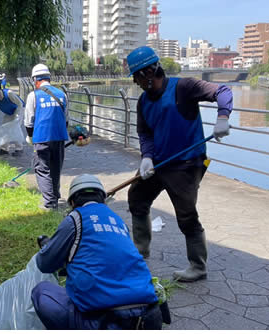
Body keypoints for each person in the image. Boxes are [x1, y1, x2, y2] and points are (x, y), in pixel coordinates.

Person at [126, 46, 233, 282]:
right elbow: (145, 133)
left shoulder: (184, 87)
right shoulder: (143, 101)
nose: (136, 83)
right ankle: (140, 253)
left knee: (186, 215)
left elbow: (223, 91)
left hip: (186, 163)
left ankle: (198, 266)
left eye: (136, 78)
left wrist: (223, 117)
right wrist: (146, 157)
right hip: (158, 163)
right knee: (137, 198)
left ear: (148, 73)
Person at [31, 174, 163, 330]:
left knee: (42, 292)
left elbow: (44, 264)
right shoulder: (118, 221)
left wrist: (53, 249)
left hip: (103, 321)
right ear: (102, 198)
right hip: (148, 316)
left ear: (73, 202)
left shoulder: (75, 218)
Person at [24, 64, 69, 210]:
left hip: (41, 137)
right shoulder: (62, 94)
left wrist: (30, 137)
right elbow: (66, 119)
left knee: (42, 169)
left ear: (35, 80)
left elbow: (29, 121)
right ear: (49, 78)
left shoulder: (33, 96)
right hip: (59, 137)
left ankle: (50, 204)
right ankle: (54, 196)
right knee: (56, 168)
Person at [0, 73, 25, 155]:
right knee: (4, 129)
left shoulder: (9, 93)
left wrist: (17, 116)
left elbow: (20, 104)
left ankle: (19, 149)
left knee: (14, 129)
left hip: (19, 110)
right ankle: (4, 149)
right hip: (9, 113)